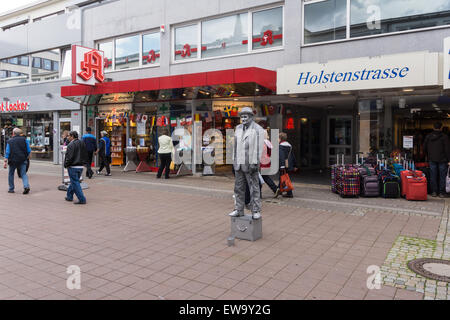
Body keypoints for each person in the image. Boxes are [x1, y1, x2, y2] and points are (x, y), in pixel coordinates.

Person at [229, 107, 265, 220]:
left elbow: (259, 148)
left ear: (251, 117)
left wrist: (255, 162)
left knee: (254, 188)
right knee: (238, 188)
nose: (243, 119)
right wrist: (233, 160)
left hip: (250, 163)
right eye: (242, 117)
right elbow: (235, 145)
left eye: (245, 116)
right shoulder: (238, 128)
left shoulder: (258, 129)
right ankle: (238, 210)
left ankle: (256, 210)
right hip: (238, 163)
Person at [423, 122, 450, 198]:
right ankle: (441, 193)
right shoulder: (445, 137)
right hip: (443, 159)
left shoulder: (428, 136)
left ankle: (434, 192)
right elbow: (447, 149)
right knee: (442, 176)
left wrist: (427, 156)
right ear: (441, 128)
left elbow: (424, 148)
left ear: (433, 127)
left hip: (431, 159)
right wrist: (449, 160)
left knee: (433, 176)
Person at [3, 128, 31, 194]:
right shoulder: (25, 140)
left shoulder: (10, 141)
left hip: (13, 160)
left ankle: (11, 189)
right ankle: (26, 186)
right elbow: (29, 150)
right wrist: (27, 156)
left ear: (13, 133)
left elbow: (7, 152)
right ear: (20, 134)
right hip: (22, 159)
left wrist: (5, 160)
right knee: (23, 174)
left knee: (11, 174)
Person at [64, 131, 88, 204]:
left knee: (75, 183)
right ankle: (69, 196)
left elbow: (69, 157)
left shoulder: (71, 145)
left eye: (68, 136)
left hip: (73, 166)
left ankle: (82, 199)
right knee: (74, 181)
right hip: (80, 166)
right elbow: (85, 154)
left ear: (72, 136)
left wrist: (66, 164)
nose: (67, 137)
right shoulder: (82, 143)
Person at [276, 132, 297, 198]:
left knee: (283, 178)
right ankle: (283, 191)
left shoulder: (281, 146)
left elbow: (281, 156)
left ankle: (280, 191)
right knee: (285, 178)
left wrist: (282, 166)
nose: (277, 139)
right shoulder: (289, 146)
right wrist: (295, 165)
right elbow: (293, 156)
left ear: (280, 139)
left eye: (278, 138)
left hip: (283, 165)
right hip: (289, 164)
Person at [261, 130, 278, 195]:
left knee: (259, 178)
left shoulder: (261, 143)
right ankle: (275, 189)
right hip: (267, 162)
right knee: (265, 177)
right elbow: (270, 153)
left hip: (262, 163)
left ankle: (258, 194)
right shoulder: (268, 143)